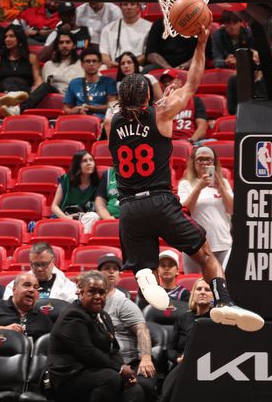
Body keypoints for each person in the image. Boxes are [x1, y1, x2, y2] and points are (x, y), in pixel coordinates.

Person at [109, 26, 264, 331]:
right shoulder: (162, 112)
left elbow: (126, 114)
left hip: (128, 209)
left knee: (143, 261)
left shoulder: (110, 124)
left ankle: (144, 275)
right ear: (147, 96)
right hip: (159, 200)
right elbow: (193, 82)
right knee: (205, 254)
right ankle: (224, 301)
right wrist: (202, 42)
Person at [47, 271, 145, 402]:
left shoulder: (104, 316)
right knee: (110, 378)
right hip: (67, 378)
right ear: (81, 291)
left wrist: (124, 369)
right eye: (92, 291)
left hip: (93, 372)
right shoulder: (73, 315)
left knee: (135, 391)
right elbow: (87, 353)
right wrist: (120, 370)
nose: (98, 296)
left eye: (102, 292)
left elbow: (113, 349)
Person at [134, 278, 212, 402]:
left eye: (207, 290)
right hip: (181, 365)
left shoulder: (215, 318)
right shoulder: (183, 317)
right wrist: (177, 359)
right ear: (193, 293)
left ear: (213, 295)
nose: (202, 292)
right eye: (199, 289)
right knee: (185, 364)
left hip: (207, 366)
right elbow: (171, 349)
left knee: (189, 362)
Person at [98, 254, 157, 402]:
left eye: (115, 269)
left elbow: (141, 330)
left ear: (119, 274)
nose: (111, 271)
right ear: (98, 273)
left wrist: (145, 358)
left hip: (126, 361)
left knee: (142, 386)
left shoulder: (122, 303)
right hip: (100, 361)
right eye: (106, 268)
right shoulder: (92, 301)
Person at [177, 145, 233, 273]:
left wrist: (221, 189)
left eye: (208, 159)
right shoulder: (186, 184)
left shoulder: (223, 182)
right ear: (194, 163)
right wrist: (199, 188)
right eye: (200, 159)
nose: (204, 163)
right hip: (195, 245)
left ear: (214, 162)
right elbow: (185, 211)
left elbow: (232, 210)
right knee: (195, 284)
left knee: (223, 285)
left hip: (222, 242)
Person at [0, 272, 53, 340]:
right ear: (14, 289)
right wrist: (5, 329)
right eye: (27, 285)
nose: (32, 290)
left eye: (36, 287)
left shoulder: (42, 317)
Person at [2, 242, 78, 301]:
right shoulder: (15, 285)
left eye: (44, 264)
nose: (39, 269)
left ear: (53, 261)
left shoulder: (67, 286)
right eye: (35, 264)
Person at [51, 150, 102, 233]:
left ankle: (82, 241)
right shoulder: (66, 179)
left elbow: (98, 207)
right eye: (84, 161)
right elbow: (54, 206)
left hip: (84, 219)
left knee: (93, 216)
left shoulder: (97, 183)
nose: (89, 163)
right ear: (77, 165)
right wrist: (66, 218)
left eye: (91, 160)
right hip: (64, 217)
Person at [0, 24, 41, 104]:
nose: (7, 39)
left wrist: (36, 87)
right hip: (4, 94)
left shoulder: (31, 58)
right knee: (8, 82)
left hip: (24, 94)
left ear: (20, 39)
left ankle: (14, 105)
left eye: (11, 36)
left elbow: (38, 79)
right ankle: (12, 103)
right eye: (6, 37)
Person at [63, 48, 118, 119]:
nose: (91, 64)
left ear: (100, 64)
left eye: (94, 61)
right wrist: (74, 110)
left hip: (102, 122)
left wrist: (91, 108)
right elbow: (66, 108)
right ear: (82, 64)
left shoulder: (109, 82)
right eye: (87, 61)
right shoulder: (74, 83)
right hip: (79, 119)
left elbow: (112, 107)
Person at [157, 69, 208, 144]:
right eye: (164, 82)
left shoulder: (195, 101)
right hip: (168, 143)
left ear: (180, 82)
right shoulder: (160, 106)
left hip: (191, 140)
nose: (167, 83)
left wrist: (191, 141)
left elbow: (202, 126)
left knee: (212, 143)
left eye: (171, 80)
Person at [99, 2, 152, 68]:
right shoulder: (108, 29)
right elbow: (104, 53)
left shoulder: (149, 27)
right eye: (125, 4)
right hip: (114, 67)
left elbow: (147, 54)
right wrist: (110, 64)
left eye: (132, 4)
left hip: (138, 67)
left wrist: (128, 65)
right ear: (120, 7)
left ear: (138, 7)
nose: (129, 7)